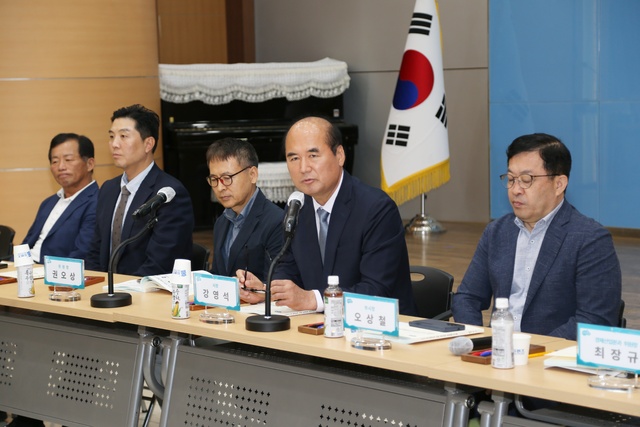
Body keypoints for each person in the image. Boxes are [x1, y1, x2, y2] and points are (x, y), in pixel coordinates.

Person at [239, 116, 417, 315]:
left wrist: (312, 299)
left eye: (313, 155)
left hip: (380, 325)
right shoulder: (298, 208)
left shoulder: (377, 209)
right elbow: (288, 269)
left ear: (339, 155)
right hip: (317, 325)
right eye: (294, 158)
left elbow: (376, 290)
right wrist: (268, 291)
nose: (303, 168)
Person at [452, 133, 621, 340]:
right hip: (498, 350)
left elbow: (594, 320)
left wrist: (533, 350)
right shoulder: (497, 232)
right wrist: (479, 341)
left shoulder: (590, 239)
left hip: (552, 354)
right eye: (511, 179)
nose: (515, 190)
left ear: (559, 184)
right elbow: (467, 297)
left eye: (526, 180)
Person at [85, 104, 194, 276]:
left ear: (148, 144)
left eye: (123, 136)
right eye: (112, 136)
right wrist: (94, 284)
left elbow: (160, 264)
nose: (114, 144)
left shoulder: (169, 194)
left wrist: (119, 288)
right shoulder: (108, 189)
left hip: (144, 289)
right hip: (106, 288)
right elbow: (95, 250)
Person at [206, 137, 284, 281]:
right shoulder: (221, 222)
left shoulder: (277, 222)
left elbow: (278, 282)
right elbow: (219, 273)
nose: (220, 187)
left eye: (227, 178)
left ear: (252, 175)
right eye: (214, 179)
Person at [22, 133, 98, 263]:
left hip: (54, 272)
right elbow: (26, 244)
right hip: (26, 269)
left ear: (89, 164)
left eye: (68, 160)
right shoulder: (48, 203)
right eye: (55, 161)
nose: (61, 167)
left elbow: (82, 255)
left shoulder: (98, 202)